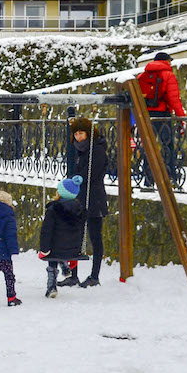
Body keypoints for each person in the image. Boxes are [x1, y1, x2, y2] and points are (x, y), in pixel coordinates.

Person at [66, 116, 109, 287]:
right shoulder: (79, 150)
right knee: (75, 235)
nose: (78, 137)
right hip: (80, 197)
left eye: (81, 133)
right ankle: (73, 274)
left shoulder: (96, 149)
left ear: (88, 133)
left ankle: (94, 276)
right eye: (76, 134)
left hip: (94, 197)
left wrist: (80, 178)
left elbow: (94, 172)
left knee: (95, 236)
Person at [137, 52, 186, 187]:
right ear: (166, 61)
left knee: (148, 146)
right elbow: (174, 98)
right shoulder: (168, 75)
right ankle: (170, 178)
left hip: (146, 115)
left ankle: (148, 180)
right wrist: (182, 117)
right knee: (167, 146)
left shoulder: (142, 75)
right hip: (162, 115)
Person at [38, 176, 87, 299]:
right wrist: (78, 249)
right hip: (73, 250)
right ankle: (64, 266)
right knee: (60, 243)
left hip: (57, 249)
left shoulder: (53, 209)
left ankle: (51, 287)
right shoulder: (80, 209)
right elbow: (81, 232)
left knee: (52, 250)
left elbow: (46, 232)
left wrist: (44, 249)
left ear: (60, 192)